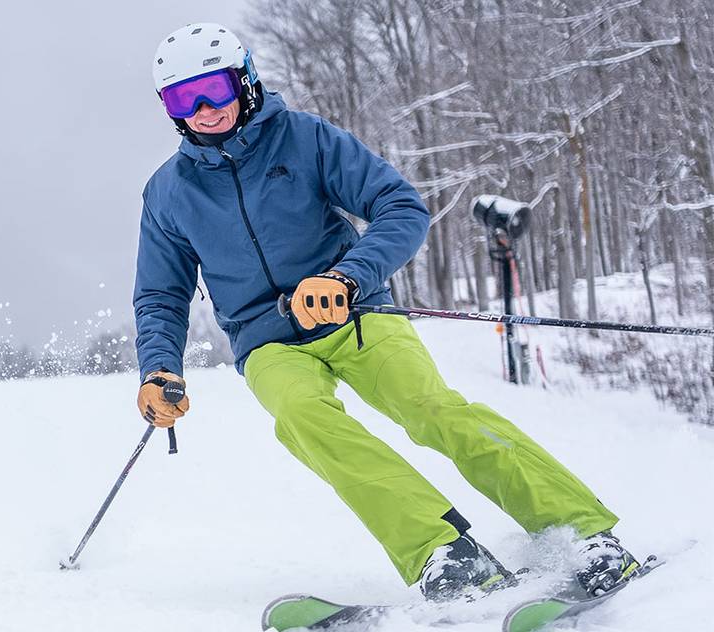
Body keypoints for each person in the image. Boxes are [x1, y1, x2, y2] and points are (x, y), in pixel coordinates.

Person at [132, 23, 636, 600]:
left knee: (428, 408)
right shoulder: (168, 192)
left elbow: (400, 207)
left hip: (356, 316)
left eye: (215, 90)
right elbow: (160, 294)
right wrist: (158, 367)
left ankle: (579, 531)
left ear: (244, 81)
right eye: (181, 98)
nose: (203, 110)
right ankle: (441, 551)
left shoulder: (306, 140)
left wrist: (346, 277)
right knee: (301, 416)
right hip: (265, 341)